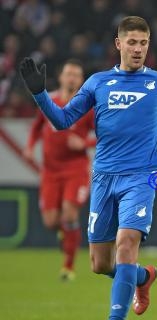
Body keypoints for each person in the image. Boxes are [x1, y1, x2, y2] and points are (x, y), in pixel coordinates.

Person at [19, 16, 157, 320]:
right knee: (100, 264)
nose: (138, 49)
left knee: (126, 243)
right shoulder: (98, 83)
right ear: (118, 44)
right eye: (132, 42)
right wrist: (40, 94)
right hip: (102, 179)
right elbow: (62, 121)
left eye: (143, 43)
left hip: (140, 177)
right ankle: (143, 278)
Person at [23, 59, 95, 281]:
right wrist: (29, 145)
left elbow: (104, 136)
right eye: (69, 74)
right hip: (51, 171)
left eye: (76, 75)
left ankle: (68, 266)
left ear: (81, 80)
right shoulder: (49, 101)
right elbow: (37, 127)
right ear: (61, 77)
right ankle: (65, 233)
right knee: (51, 222)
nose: (72, 78)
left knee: (70, 212)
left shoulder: (87, 107)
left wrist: (84, 144)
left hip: (76, 168)